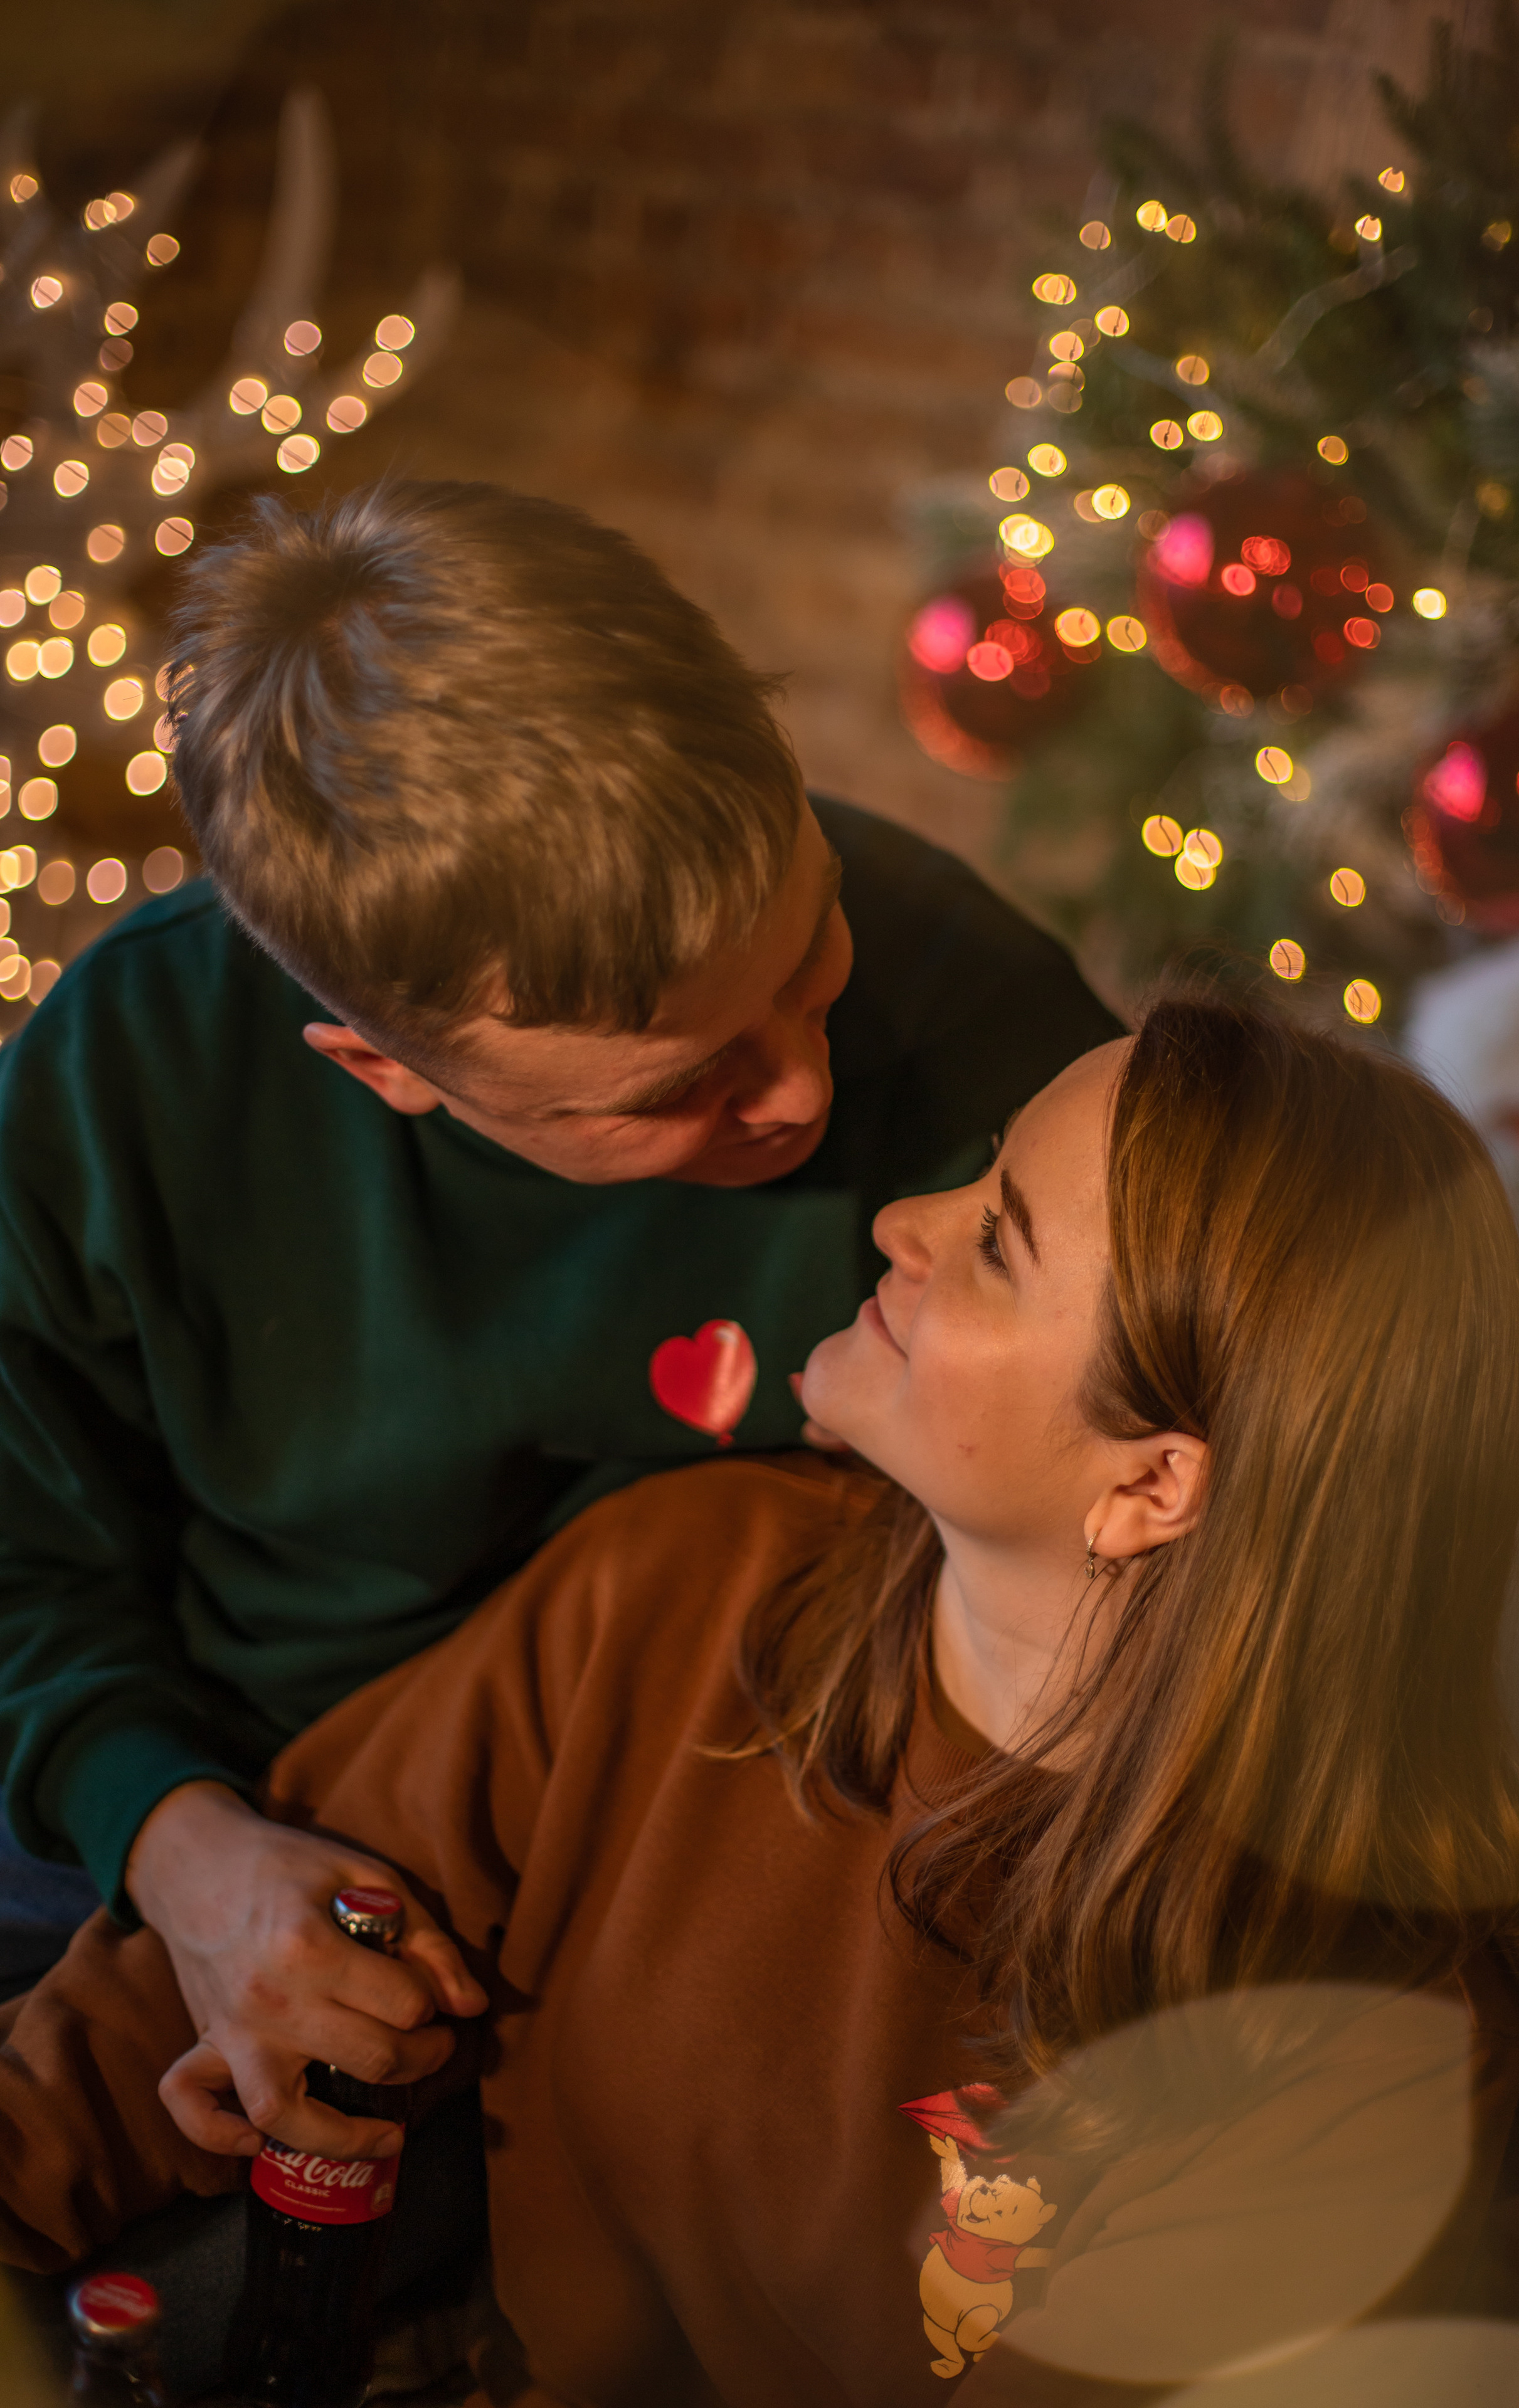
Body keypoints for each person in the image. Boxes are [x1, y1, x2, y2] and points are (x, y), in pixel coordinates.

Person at [4, 1000, 1519, 2403]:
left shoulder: (1328, 2059)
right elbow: (231, 1972)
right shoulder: (687, 1581)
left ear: (1150, 1486)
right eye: (977, 1172)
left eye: (996, 1242)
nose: (902, 1217)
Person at [0, 477, 1121, 2121]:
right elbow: (24, 1561)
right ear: (381, 1069)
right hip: (201, 1772)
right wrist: (181, 1849)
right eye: (676, 1088)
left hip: (714, 1783)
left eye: (809, 954)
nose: (805, 1096)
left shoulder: (978, 1009)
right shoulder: (130, 1079)